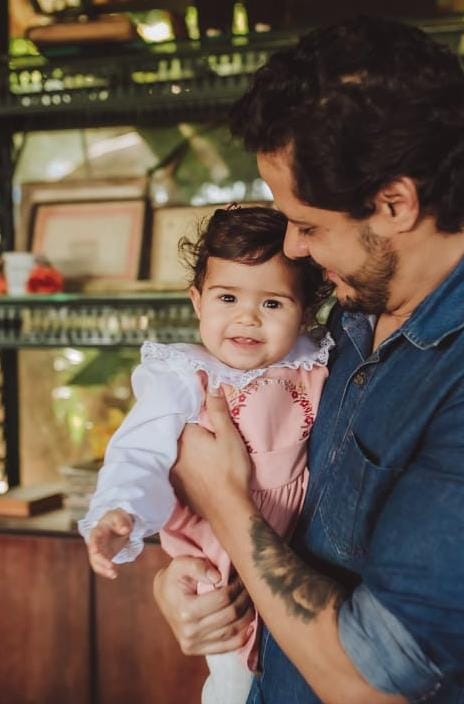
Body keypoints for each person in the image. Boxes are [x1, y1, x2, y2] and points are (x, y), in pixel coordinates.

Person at [153, 16, 464, 704]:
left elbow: (374, 681)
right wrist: (185, 580)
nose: (295, 249)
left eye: (309, 225)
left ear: (395, 203)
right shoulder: (357, 308)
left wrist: (222, 504)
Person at [79, 205, 333, 704]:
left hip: (295, 558)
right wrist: (120, 510)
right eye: (227, 297)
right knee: (234, 683)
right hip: (216, 564)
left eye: (273, 303)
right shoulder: (183, 376)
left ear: (305, 312)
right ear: (197, 302)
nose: (247, 318)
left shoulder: (313, 362)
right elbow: (140, 452)